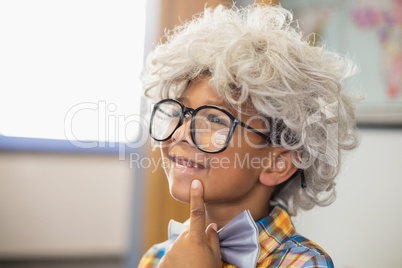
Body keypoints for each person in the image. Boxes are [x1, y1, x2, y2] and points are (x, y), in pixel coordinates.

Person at [138, 3, 360, 268]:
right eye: (180, 112)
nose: (183, 132)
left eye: (215, 120)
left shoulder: (304, 263)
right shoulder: (156, 258)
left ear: (277, 164)